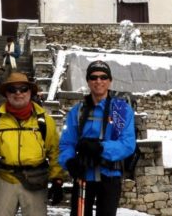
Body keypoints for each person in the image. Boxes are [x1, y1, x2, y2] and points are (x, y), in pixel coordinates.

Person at [58, 61, 136, 216]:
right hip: (84, 175)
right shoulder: (78, 111)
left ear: (110, 80)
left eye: (103, 77)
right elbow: (67, 143)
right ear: (88, 81)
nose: (98, 81)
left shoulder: (120, 110)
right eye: (93, 77)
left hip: (110, 175)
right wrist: (69, 161)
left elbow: (127, 144)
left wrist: (101, 148)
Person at [0, 72, 64, 216]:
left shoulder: (44, 121)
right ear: (6, 94)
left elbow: (54, 151)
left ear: (30, 92)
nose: (18, 93)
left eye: (23, 89)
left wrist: (57, 179)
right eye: (12, 90)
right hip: (5, 179)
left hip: (35, 181)